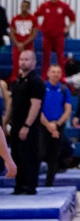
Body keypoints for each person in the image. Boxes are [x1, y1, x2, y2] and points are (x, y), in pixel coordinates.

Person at [10, 50, 43, 194]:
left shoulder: (36, 82)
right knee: (16, 155)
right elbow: (13, 104)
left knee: (28, 155)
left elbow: (35, 105)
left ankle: (30, 186)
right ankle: (19, 185)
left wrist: (27, 125)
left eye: (27, 59)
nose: (23, 62)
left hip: (28, 126)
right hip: (15, 124)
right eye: (21, 59)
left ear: (34, 62)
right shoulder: (17, 82)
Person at [39, 64, 71, 187]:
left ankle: (49, 183)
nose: (56, 74)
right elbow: (37, 108)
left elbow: (67, 109)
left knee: (54, 155)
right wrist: (48, 125)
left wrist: (56, 124)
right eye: (53, 72)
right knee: (40, 153)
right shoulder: (42, 88)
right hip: (43, 125)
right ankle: (32, 182)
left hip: (58, 125)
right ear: (48, 73)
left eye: (58, 72)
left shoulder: (64, 90)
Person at [35, 0, 75, 73]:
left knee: (60, 57)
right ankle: (44, 76)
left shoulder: (63, 5)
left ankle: (62, 76)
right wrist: (39, 27)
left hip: (59, 35)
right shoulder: (45, 5)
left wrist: (67, 28)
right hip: (47, 35)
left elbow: (72, 17)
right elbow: (35, 16)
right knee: (46, 57)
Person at [10, 0, 37, 82]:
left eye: (26, 6)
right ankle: (15, 81)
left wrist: (24, 43)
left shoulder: (33, 19)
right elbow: (11, 33)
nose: (23, 8)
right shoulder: (15, 18)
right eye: (22, 6)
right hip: (17, 46)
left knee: (29, 65)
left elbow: (34, 34)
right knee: (16, 65)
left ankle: (29, 81)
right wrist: (18, 44)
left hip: (28, 46)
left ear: (29, 7)